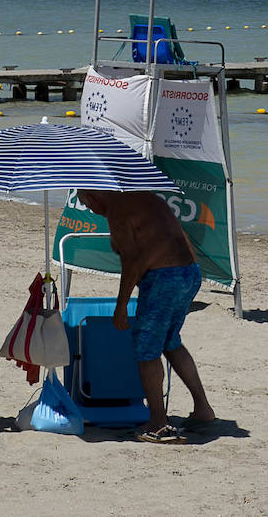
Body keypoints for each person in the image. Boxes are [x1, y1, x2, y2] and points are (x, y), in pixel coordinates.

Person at [77, 189, 215, 444]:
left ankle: (159, 423)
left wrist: (121, 306)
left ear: (94, 197)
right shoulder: (147, 198)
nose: (89, 209)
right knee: (170, 341)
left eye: (85, 203)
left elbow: (132, 261)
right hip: (190, 273)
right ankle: (203, 410)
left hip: (165, 278)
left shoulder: (118, 212)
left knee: (146, 349)